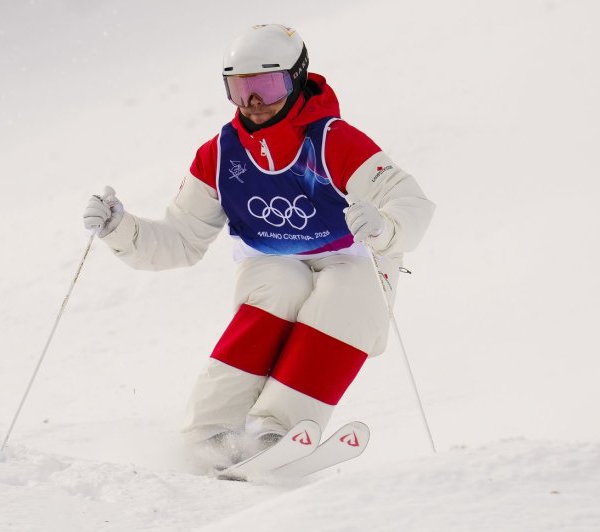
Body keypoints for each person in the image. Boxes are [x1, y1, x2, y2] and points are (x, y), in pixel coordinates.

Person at [83, 24, 435, 469]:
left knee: (348, 297)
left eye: (267, 87)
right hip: (272, 258)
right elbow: (181, 240)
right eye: (239, 88)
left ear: (296, 79)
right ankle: (210, 432)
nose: (252, 102)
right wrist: (119, 229)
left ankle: (279, 431)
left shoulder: (333, 141)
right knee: (279, 287)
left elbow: (410, 201)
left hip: (352, 255)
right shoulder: (220, 156)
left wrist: (384, 227)